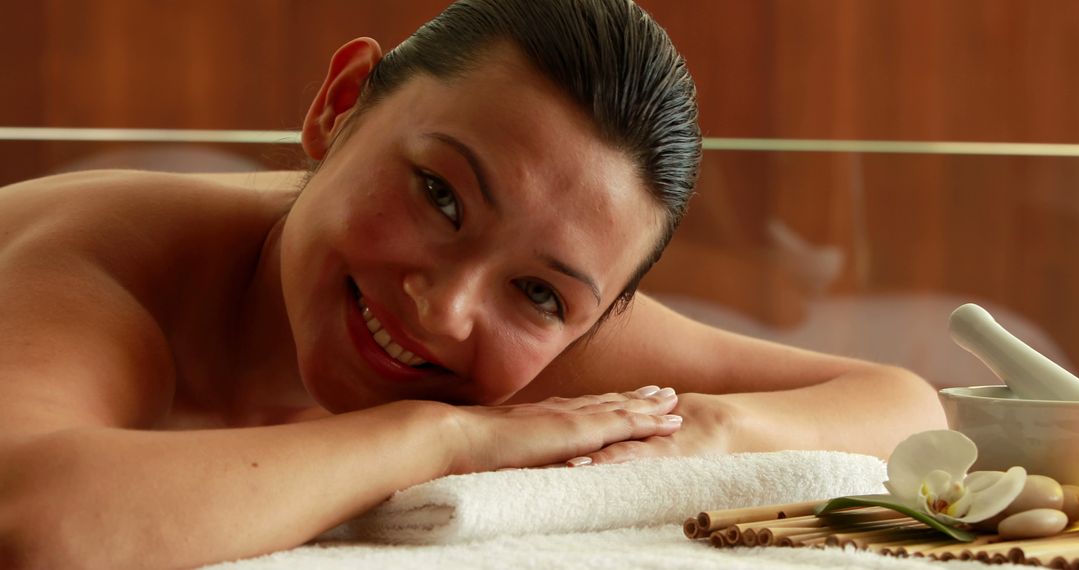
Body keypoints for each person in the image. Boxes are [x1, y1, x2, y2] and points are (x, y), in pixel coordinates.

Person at [0, 0, 946, 567]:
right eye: (440, 197)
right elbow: (35, 524)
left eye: (542, 295)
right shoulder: (105, 271)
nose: (447, 308)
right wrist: (437, 436)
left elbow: (903, 407)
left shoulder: (550, 334)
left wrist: (696, 432)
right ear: (338, 108)